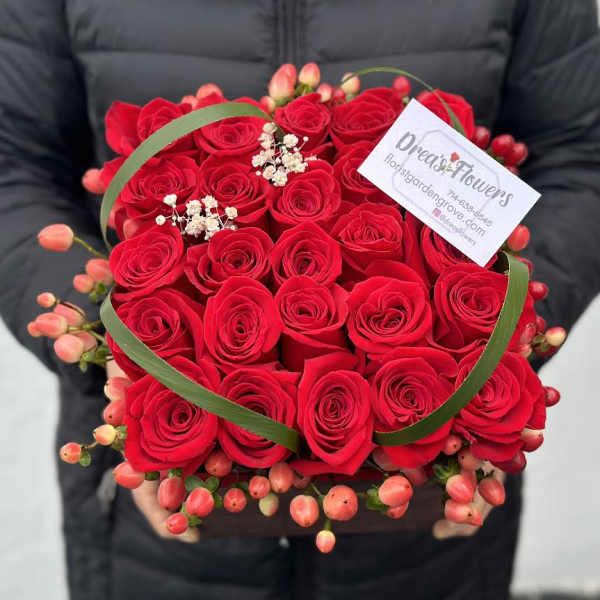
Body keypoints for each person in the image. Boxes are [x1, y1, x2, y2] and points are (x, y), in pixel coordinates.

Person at [1, 1, 599, 599]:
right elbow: (12, 166)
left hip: (431, 548)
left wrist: (503, 341)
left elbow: (582, 159)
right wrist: (110, 346)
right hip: (149, 540)